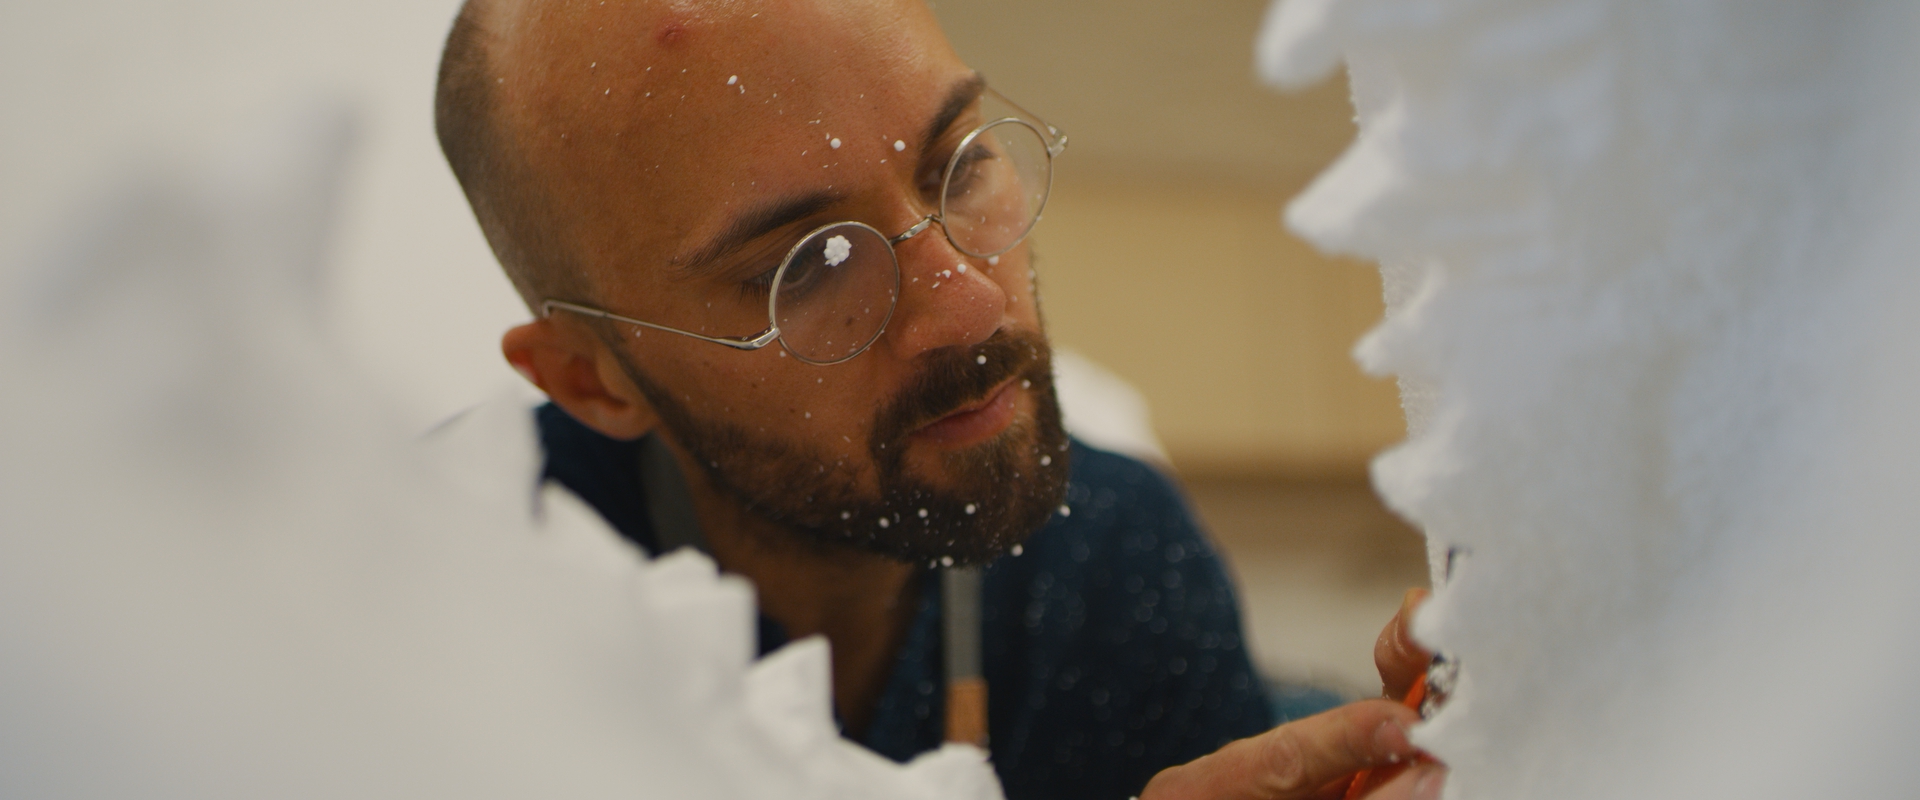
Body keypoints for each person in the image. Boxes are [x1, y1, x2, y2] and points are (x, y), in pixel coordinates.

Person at [433, 1, 1439, 798]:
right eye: (809, 264)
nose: (966, 304)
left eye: (957, 164)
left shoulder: (1114, 567)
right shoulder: (447, 625)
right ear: (590, 378)